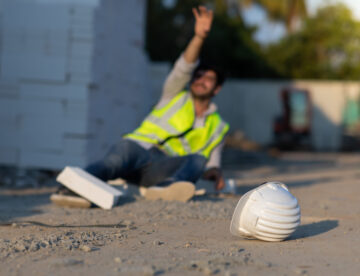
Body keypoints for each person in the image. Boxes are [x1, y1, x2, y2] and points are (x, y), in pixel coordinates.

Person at [52, 6, 229, 205]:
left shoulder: (218, 127)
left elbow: (212, 163)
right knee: (113, 162)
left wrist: (215, 173)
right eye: (198, 76)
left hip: (161, 169)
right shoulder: (174, 94)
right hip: (137, 150)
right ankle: (71, 188)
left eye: (208, 79)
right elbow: (184, 67)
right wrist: (199, 38)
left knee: (198, 160)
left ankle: (167, 189)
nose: (200, 80)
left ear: (217, 89)